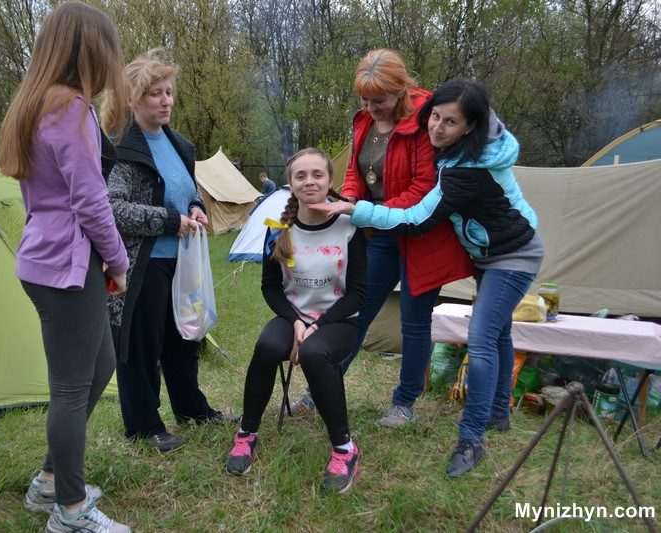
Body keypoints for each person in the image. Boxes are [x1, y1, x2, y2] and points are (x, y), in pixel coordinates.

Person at [310, 79, 544, 478]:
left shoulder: (466, 172)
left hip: (514, 255)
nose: (436, 127)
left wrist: (355, 210)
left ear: (470, 126)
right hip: (486, 252)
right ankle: (498, 413)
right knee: (499, 331)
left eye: (450, 122)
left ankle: (472, 439)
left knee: (482, 338)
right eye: (434, 117)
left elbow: (417, 218)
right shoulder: (460, 150)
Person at [0, 3, 132, 532]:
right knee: (72, 390)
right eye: (110, 50)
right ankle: (71, 511)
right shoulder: (70, 108)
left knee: (100, 366)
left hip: (47, 259)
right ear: (91, 51)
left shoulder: (38, 102)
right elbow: (91, 201)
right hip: (67, 265)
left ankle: (51, 481)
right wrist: (118, 261)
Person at [291, 49, 473, 428]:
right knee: (354, 313)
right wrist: (348, 200)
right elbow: (355, 173)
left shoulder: (426, 121)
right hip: (378, 235)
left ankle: (404, 402)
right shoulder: (363, 121)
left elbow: (424, 189)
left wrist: (363, 211)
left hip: (422, 235)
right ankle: (322, 387)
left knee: (414, 322)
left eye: (379, 100)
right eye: (364, 100)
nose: (370, 108)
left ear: (401, 90)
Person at [106, 49, 239, 454]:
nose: (166, 101)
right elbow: (112, 209)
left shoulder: (178, 144)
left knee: (184, 338)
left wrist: (196, 206)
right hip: (141, 265)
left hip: (182, 260)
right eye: (155, 94)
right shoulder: (121, 148)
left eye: (168, 92)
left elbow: (189, 190)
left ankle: (192, 409)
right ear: (133, 99)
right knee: (141, 346)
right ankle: (144, 425)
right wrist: (168, 220)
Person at [225, 148, 367, 494]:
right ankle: (247, 433)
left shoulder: (350, 227)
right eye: (300, 176)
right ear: (290, 183)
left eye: (317, 174)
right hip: (293, 318)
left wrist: (317, 325)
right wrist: (296, 321)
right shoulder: (278, 230)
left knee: (315, 353)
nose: (309, 182)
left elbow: (358, 293)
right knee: (267, 345)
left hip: (339, 322)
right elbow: (270, 289)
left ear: (330, 181)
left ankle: (344, 448)